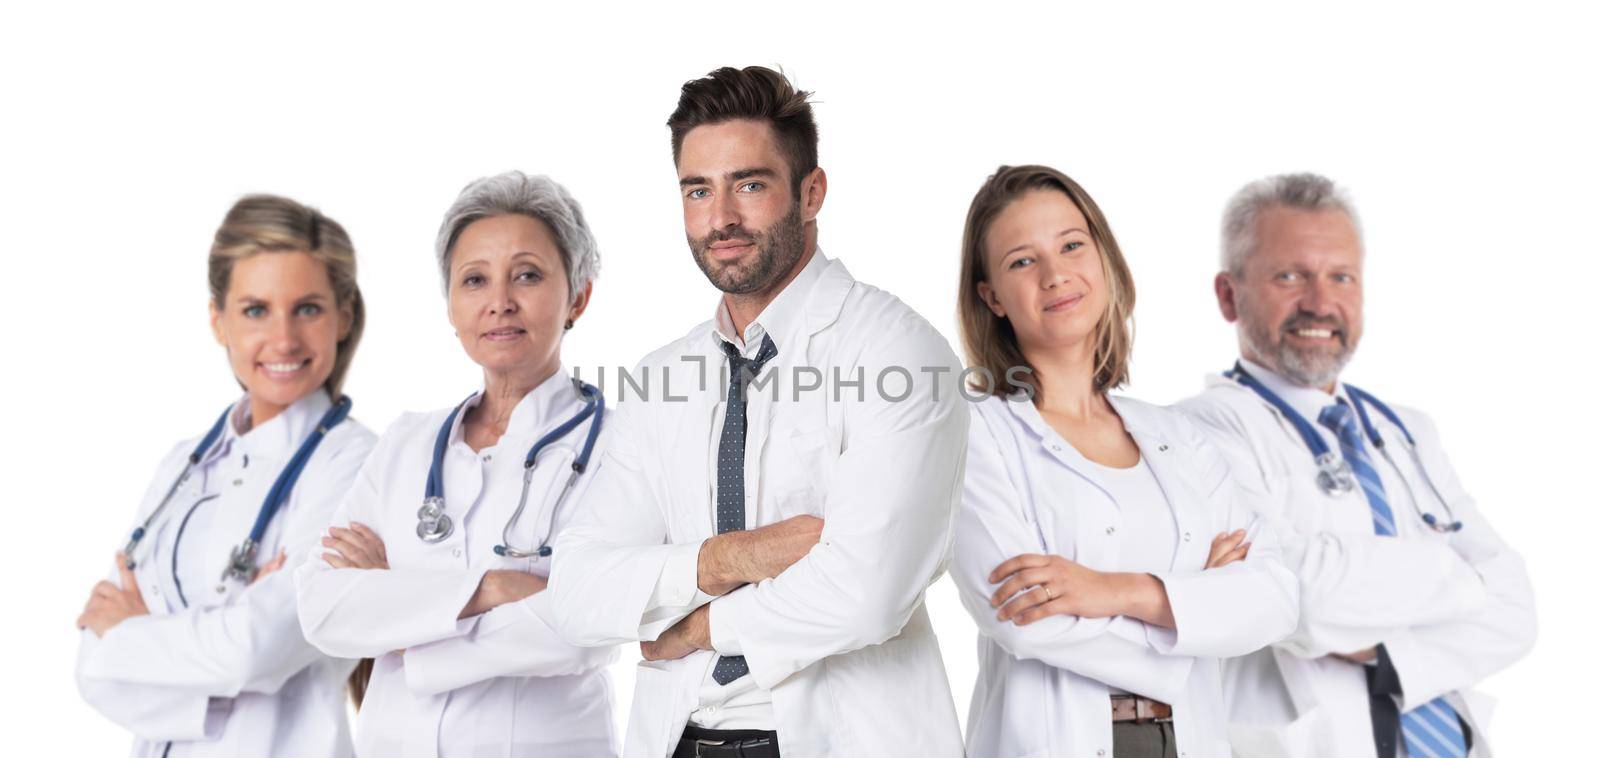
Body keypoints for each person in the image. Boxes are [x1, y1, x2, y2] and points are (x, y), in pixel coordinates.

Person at [548, 66, 967, 758]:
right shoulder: (661, 377)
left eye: (749, 184)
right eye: (697, 190)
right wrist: (727, 559)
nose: (722, 220)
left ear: (811, 193)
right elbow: (577, 591)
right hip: (679, 739)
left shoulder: (899, 353)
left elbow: (868, 590)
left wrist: (695, 627)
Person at [1177, 173, 1536, 758]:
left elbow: (1516, 607)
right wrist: (1453, 571)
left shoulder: (1407, 431)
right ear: (1228, 294)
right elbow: (1294, 594)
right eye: (1289, 276)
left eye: (1340, 276)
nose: (1320, 303)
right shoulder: (1198, 431)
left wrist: (1388, 657)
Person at [950, 165, 1298, 758]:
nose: (1056, 274)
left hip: (1191, 739)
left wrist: (1110, 590)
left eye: (1071, 245)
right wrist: (1195, 606)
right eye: (1021, 262)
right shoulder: (972, 437)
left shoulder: (1180, 436)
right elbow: (1023, 620)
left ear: (1102, 259)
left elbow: (1275, 598)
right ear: (992, 297)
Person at [294, 171, 618, 756]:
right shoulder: (407, 443)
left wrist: (400, 614)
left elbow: (585, 627)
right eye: (474, 279)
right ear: (450, 302)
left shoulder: (620, 448)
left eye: (527, 274)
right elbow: (323, 609)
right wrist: (491, 588)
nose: (500, 302)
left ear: (579, 296)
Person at [75, 195, 377, 758]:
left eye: (308, 308)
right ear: (219, 321)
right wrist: (224, 657)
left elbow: (261, 647)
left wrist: (138, 638)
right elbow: (94, 665)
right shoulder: (184, 464)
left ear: (344, 317)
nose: (283, 339)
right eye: (256, 309)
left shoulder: (355, 463)